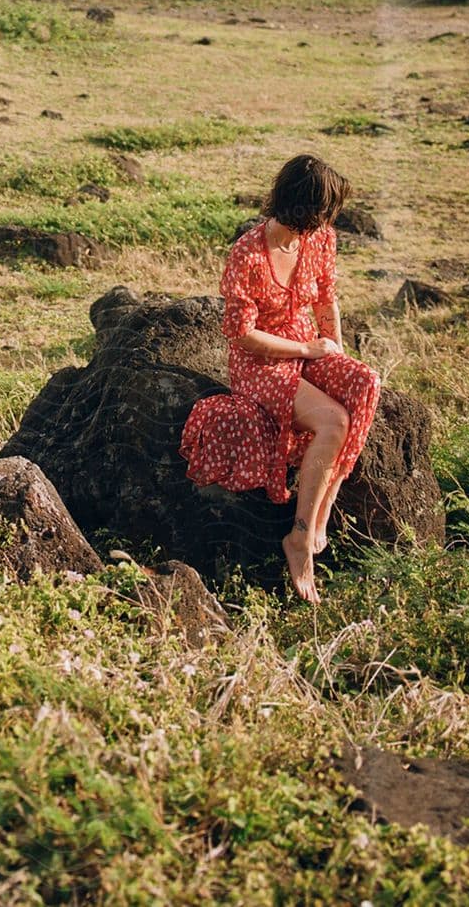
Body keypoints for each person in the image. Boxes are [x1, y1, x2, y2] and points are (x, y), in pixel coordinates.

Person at [179, 153, 381, 603]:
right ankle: (299, 537)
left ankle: (323, 505)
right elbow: (243, 336)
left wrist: (337, 358)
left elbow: (327, 301)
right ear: (304, 206)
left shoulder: (320, 239)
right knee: (333, 421)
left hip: (308, 350)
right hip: (261, 364)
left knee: (365, 383)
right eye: (325, 210)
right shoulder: (247, 254)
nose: (330, 220)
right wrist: (307, 350)